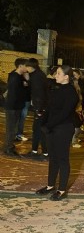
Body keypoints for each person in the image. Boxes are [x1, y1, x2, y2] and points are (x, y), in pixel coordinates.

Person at [35, 65, 78, 200]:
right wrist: (42, 122)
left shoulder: (71, 92)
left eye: (58, 73)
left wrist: (49, 125)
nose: (55, 76)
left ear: (66, 77)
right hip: (52, 127)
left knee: (62, 159)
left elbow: (65, 113)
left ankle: (62, 190)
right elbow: (50, 108)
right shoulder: (56, 88)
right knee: (53, 158)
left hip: (64, 128)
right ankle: (50, 185)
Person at [3, 58, 29, 157]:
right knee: (11, 129)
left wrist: (26, 81)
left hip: (16, 106)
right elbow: (14, 94)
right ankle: (8, 149)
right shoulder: (15, 77)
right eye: (25, 65)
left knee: (12, 128)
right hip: (12, 107)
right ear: (20, 66)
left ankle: (9, 146)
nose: (27, 67)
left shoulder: (19, 76)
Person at [25, 58, 49, 160]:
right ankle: (37, 151)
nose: (26, 68)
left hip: (40, 108)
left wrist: (39, 109)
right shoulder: (37, 75)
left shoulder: (37, 77)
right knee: (37, 129)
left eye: (27, 66)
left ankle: (44, 153)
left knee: (39, 130)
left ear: (31, 66)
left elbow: (39, 93)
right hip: (40, 107)